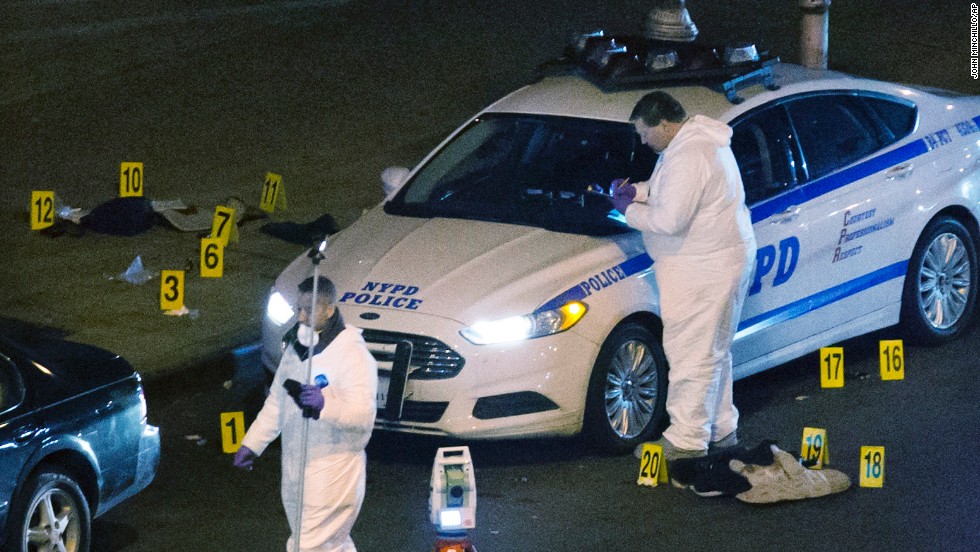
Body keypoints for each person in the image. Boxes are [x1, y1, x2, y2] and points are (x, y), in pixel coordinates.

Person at [610, 91, 756, 462]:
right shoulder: (698, 145)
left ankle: (686, 441)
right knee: (715, 351)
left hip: (701, 269)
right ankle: (722, 429)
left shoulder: (690, 155)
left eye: (645, 133)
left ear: (663, 123)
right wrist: (640, 190)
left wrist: (627, 209)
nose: (643, 141)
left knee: (691, 354)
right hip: (720, 261)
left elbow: (669, 220)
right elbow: (673, 194)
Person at [233, 275, 378, 551]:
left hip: (332, 475)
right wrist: (252, 444)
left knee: (306, 546)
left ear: (329, 310)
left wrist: (326, 405)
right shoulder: (296, 349)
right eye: (298, 309)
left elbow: (363, 416)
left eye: (309, 310)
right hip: (295, 470)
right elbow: (277, 401)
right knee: (331, 545)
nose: (301, 317)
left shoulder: (353, 355)